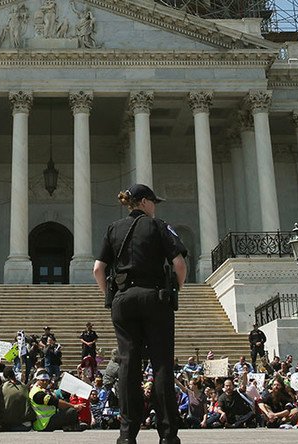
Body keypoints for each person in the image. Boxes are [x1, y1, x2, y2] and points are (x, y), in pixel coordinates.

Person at [93, 183, 187, 444]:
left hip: (123, 301)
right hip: (154, 297)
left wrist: (110, 298)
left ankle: (126, 436)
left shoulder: (113, 228)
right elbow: (179, 263)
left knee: (128, 366)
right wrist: (174, 291)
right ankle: (168, 435)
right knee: (161, 366)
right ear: (144, 202)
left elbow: (98, 269)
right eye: (153, 202)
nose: (154, 206)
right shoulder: (158, 226)